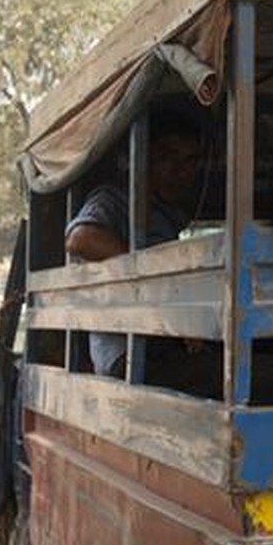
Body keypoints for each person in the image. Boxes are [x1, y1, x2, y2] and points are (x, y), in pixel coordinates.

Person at [64, 110, 215, 392]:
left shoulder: (169, 215)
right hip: (130, 355)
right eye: (167, 157)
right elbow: (81, 238)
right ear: (145, 158)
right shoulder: (115, 200)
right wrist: (150, 272)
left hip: (161, 345)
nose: (179, 171)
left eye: (190, 161)